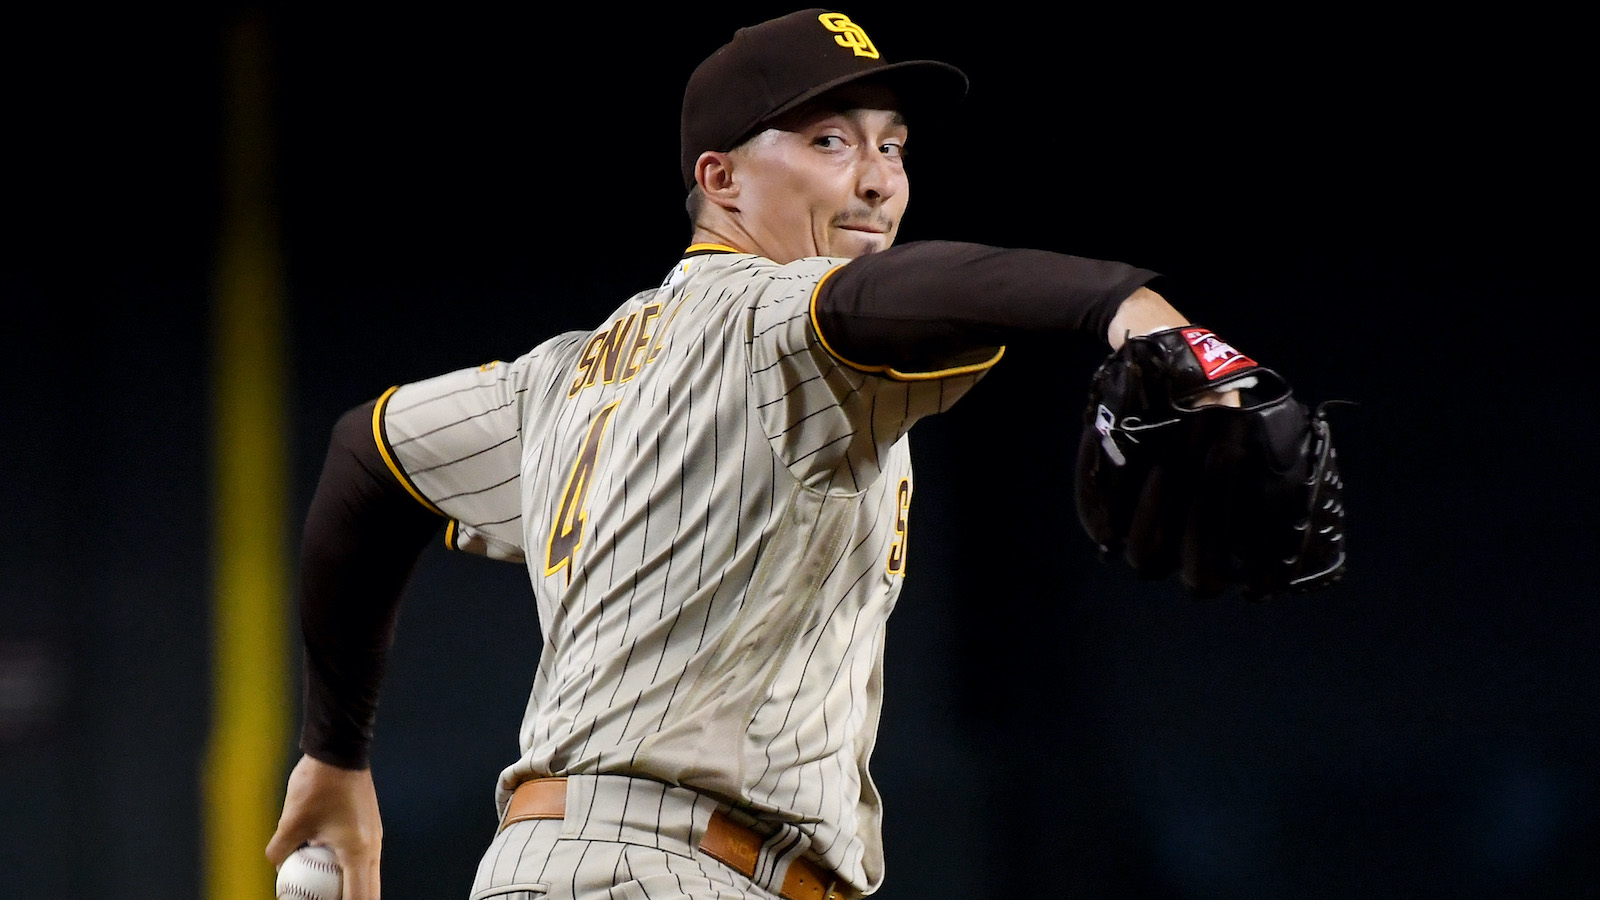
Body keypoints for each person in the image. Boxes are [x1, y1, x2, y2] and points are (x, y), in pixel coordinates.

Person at [266, 9, 1241, 899]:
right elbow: (912, 289)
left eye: (891, 144)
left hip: (587, 862)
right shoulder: (769, 315)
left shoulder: (559, 380)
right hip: (674, 871)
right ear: (719, 177)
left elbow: (368, 455)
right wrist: (1138, 313)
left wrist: (334, 756)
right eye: (828, 140)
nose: (876, 177)